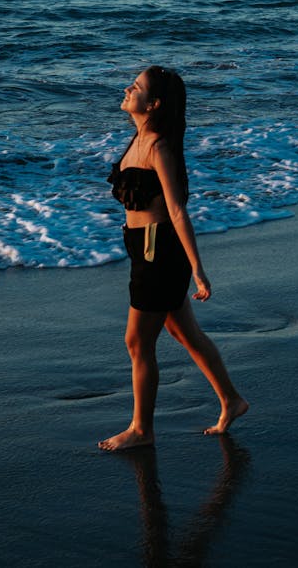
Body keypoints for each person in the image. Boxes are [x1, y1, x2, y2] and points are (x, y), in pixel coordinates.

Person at [98, 66, 248, 451]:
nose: (128, 89)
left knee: (136, 341)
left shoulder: (160, 147)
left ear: (154, 103)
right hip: (141, 247)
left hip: (159, 251)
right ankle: (232, 400)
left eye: (138, 87)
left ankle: (141, 430)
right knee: (183, 332)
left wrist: (198, 270)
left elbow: (178, 211)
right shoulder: (137, 139)